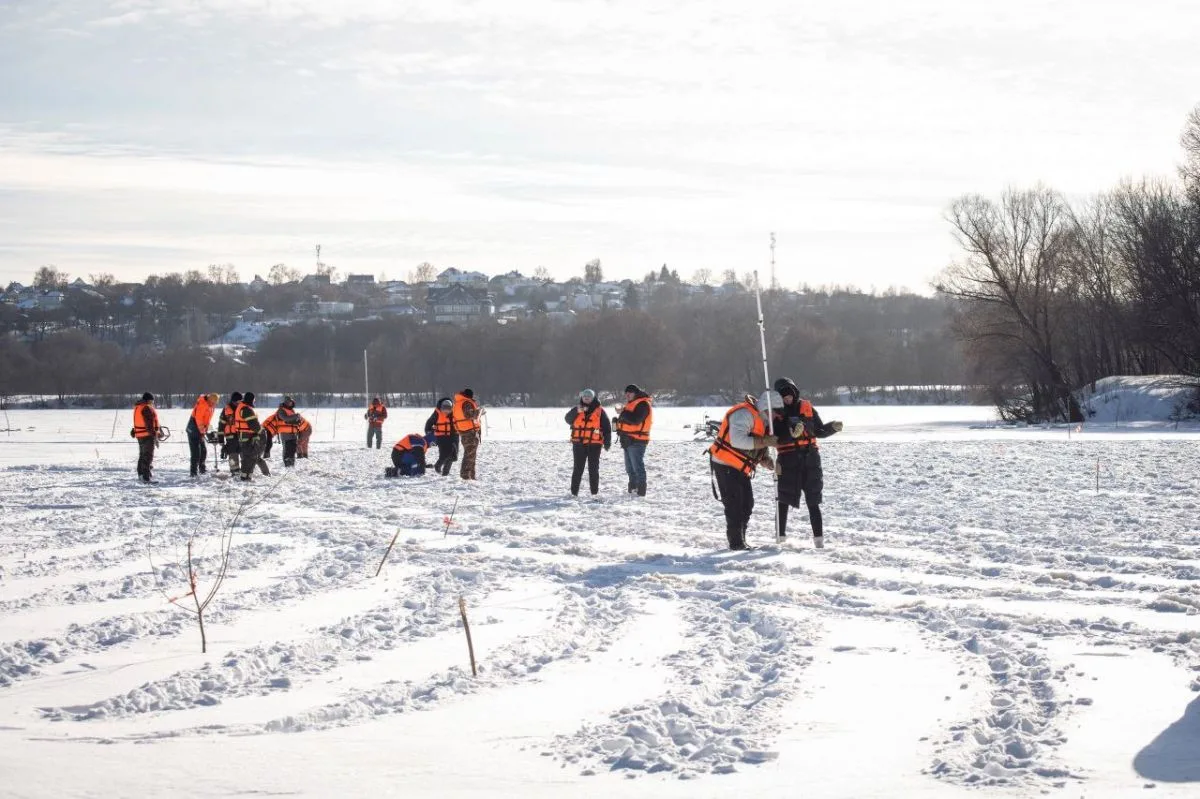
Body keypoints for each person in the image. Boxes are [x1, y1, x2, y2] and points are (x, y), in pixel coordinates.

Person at [770, 377, 843, 549]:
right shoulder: (775, 413)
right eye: (784, 397)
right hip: (787, 460)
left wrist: (832, 428)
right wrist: (791, 435)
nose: (787, 399)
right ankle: (780, 538)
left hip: (811, 460)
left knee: (813, 500)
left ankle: (819, 541)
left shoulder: (807, 407)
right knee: (783, 499)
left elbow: (818, 431)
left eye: (789, 395)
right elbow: (774, 438)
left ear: (795, 393)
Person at [708, 391, 778, 550]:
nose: (776, 415)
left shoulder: (764, 420)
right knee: (734, 504)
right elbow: (738, 440)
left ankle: (741, 538)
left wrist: (766, 460)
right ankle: (736, 543)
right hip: (725, 463)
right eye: (775, 410)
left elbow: (759, 443)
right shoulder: (744, 414)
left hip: (740, 466)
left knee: (747, 504)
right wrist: (765, 441)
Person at [564, 388, 612, 497]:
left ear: (593, 398)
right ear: (582, 397)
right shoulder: (577, 409)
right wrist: (576, 411)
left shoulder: (600, 411)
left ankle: (594, 493)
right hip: (578, 444)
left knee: (593, 469)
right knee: (577, 469)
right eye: (584, 397)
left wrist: (607, 442)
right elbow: (567, 419)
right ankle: (574, 493)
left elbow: (607, 428)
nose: (586, 398)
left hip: (594, 444)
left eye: (589, 397)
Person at [614, 384, 653, 496]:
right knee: (629, 468)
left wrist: (623, 413)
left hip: (637, 440)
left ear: (636, 393)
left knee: (637, 467)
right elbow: (628, 421)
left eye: (630, 392)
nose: (627, 395)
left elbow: (636, 420)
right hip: (627, 440)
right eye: (626, 393)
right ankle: (632, 489)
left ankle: (641, 491)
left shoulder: (643, 404)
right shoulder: (630, 404)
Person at [233, 391, 269, 481]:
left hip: (244, 435)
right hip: (247, 436)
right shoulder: (246, 409)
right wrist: (261, 432)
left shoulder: (242, 407)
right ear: (251, 400)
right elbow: (254, 424)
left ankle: (246, 476)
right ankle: (245, 477)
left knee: (249, 456)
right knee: (249, 457)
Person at [186, 392, 219, 477]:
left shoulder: (210, 407)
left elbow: (207, 421)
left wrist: (209, 430)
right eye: (213, 403)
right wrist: (203, 432)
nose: (214, 404)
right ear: (210, 400)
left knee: (203, 451)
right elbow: (199, 420)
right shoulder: (202, 405)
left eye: (215, 403)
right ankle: (193, 472)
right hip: (193, 429)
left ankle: (202, 469)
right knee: (196, 452)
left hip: (200, 430)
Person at [131, 392, 162, 483]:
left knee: (142, 456)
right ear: (148, 400)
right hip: (147, 435)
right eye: (152, 401)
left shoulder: (138, 407)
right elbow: (149, 424)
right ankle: (146, 478)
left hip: (140, 435)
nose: (152, 403)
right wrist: (154, 434)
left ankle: (141, 475)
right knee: (147, 457)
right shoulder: (146, 408)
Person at [424, 397, 459, 476]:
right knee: (444, 453)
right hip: (441, 436)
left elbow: (462, 420)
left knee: (454, 456)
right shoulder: (437, 413)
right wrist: (429, 432)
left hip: (454, 436)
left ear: (451, 408)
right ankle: (440, 467)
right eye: (444, 410)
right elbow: (428, 424)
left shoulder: (456, 412)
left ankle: (445, 471)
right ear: (441, 408)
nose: (446, 412)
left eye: (448, 410)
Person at [452, 388, 482, 480]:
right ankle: (465, 475)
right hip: (470, 432)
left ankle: (471, 476)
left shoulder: (458, 403)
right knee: (469, 454)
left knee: (470, 454)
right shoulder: (466, 403)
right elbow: (469, 415)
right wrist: (479, 412)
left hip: (463, 431)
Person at [273, 396, 304, 468]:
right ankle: (287, 465)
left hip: (293, 434)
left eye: (291, 402)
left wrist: (298, 420)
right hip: (285, 435)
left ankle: (291, 464)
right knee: (287, 450)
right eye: (289, 402)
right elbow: (285, 418)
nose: (290, 403)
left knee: (293, 450)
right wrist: (295, 416)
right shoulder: (281, 410)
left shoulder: (291, 410)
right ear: (286, 402)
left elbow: (292, 421)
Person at [218, 391, 243, 475]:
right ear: (233, 401)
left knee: (244, 453)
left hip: (242, 435)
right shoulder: (226, 410)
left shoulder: (243, 409)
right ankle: (234, 470)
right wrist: (221, 439)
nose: (239, 403)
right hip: (230, 436)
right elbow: (221, 425)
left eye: (240, 401)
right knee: (232, 454)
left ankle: (245, 470)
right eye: (237, 401)